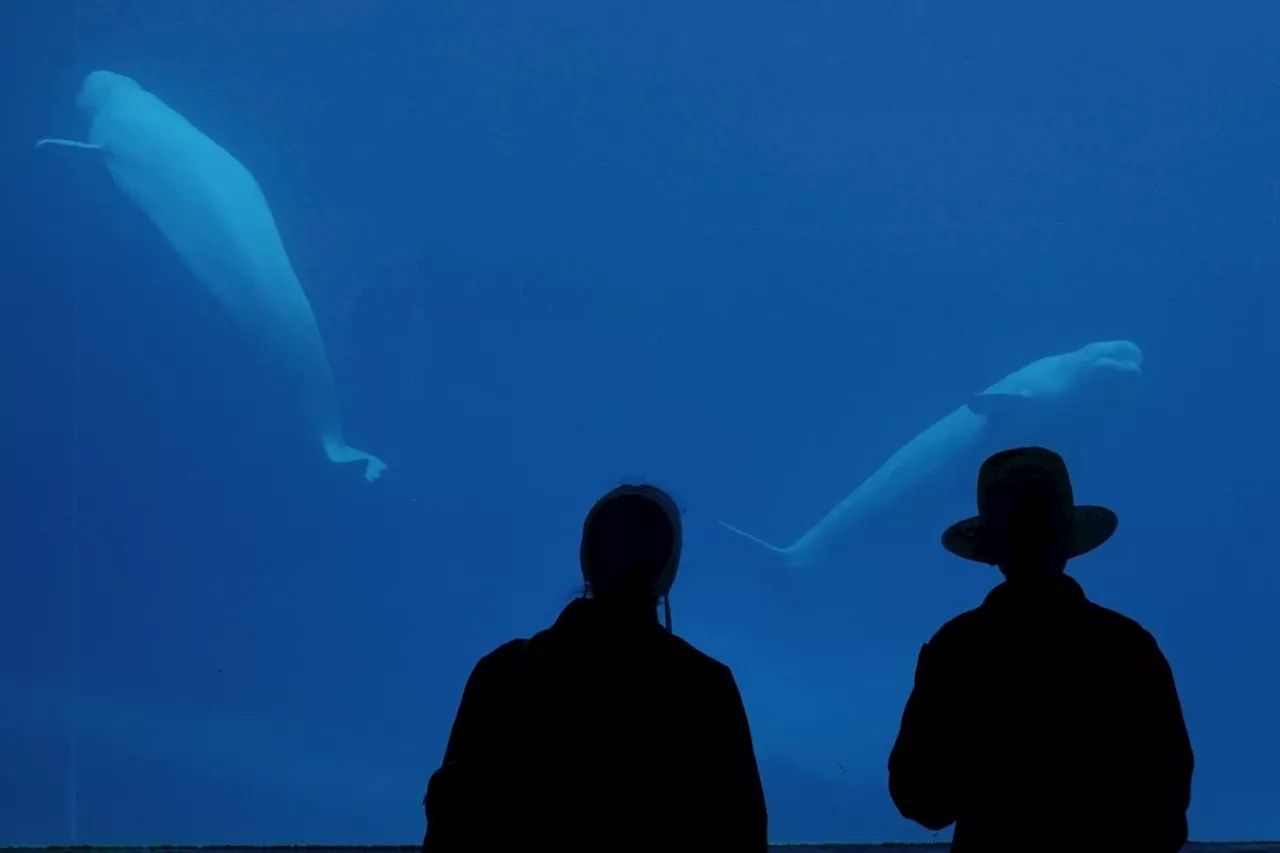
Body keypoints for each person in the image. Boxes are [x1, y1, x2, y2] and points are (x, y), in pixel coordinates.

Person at [423, 483, 768, 853]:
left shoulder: (502, 671)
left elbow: (448, 829)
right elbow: (743, 835)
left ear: (586, 558)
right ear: (669, 568)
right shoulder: (706, 684)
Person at [887, 447, 1193, 852]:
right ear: (1068, 539)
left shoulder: (956, 647)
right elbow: (1167, 800)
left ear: (990, 548)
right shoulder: (1127, 645)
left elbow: (920, 798)